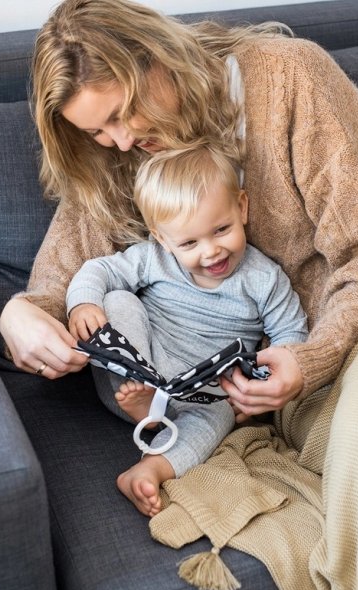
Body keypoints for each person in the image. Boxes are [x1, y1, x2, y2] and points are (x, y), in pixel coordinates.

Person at [0, 0, 358, 590]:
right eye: (96, 131)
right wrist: (19, 313)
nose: (119, 140)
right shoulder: (122, 155)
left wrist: (313, 356)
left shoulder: (289, 77)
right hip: (303, 371)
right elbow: (62, 278)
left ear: (159, 59)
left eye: (122, 113)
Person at [65, 143, 308, 516]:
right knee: (117, 300)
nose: (211, 252)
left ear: (241, 207)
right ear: (162, 238)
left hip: (200, 394)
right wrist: (83, 303)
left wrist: (258, 388)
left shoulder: (264, 279)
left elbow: (291, 336)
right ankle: (147, 403)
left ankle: (152, 467)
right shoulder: (154, 258)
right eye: (190, 243)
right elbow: (100, 269)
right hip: (133, 379)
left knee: (221, 415)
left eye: (221, 229)